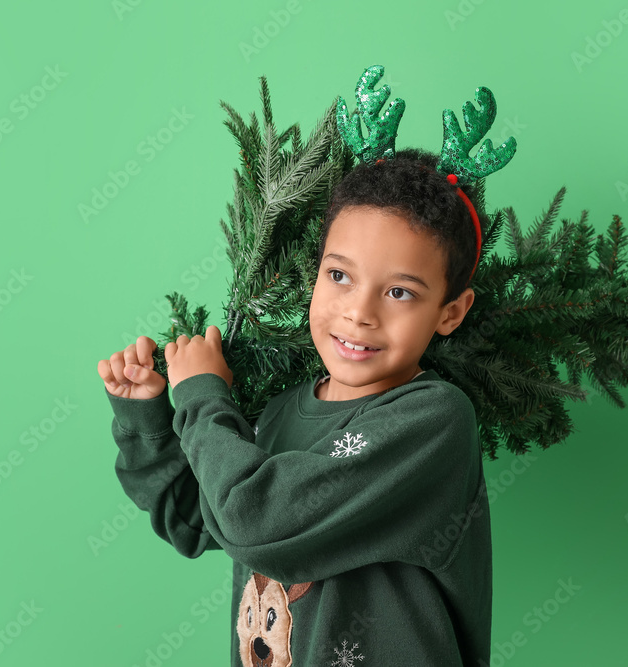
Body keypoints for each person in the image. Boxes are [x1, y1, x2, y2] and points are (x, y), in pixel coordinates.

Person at [97, 149, 494, 666]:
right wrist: (146, 418)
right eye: (340, 276)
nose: (359, 312)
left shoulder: (433, 422)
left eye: (398, 292)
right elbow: (195, 520)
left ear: (450, 311)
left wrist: (199, 395)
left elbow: (252, 517)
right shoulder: (283, 412)